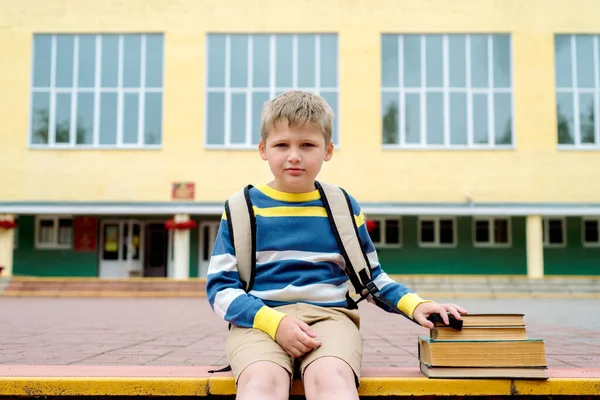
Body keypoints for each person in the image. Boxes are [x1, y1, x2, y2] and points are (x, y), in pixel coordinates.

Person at [206, 91, 467, 400]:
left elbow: (371, 279)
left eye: (307, 145)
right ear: (263, 149)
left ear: (327, 150)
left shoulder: (342, 206)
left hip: (330, 320)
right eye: (281, 145)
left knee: (331, 381)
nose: (294, 156)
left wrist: (418, 305)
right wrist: (274, 323)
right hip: (259, 321)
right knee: (262, 383)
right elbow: (221, 289)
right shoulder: (241, 208)